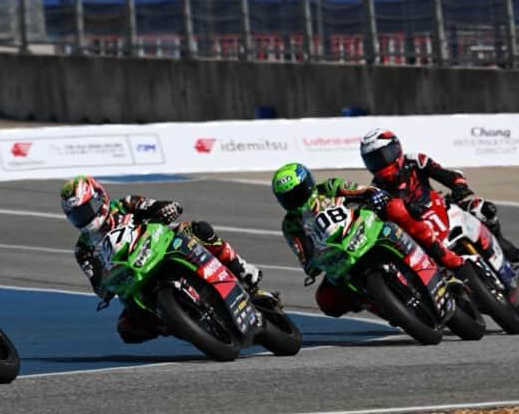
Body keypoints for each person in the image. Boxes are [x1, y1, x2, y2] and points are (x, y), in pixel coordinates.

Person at [60, 175, 262, 343]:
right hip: (132, 280)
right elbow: (97, 283)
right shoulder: (83, 249)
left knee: (198, 230)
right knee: (127, 329)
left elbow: (158, 206)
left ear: (99, 199)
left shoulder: (124, 205)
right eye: (77, 215)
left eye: (86, 210)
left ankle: (241, 268)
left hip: (157, 247)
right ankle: (179, 323)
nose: (84, 218)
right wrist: (104, 290)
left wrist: (167, 209)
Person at [272, 162, 465, 318]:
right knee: (326, 301)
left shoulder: (329, 187)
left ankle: (444, 258)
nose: (294, 200)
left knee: (396, 209)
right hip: (338, 255)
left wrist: (373, 195)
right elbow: (303, 254)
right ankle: (380, 304)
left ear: (308, 184)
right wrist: (311, 265)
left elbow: (362, 190)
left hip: (365, 227)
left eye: (297, 193)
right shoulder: (290, 225)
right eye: (288, 198)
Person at [360, 128, 519, 262]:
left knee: (483, 209)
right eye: (374, 160)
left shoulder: (415, 161)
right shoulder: (376, 191)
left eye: (384, 155)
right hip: (418, 233)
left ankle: (505, 248)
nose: (381, 163)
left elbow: (447, 175)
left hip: (441, 208)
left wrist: (459, 187)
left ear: (396, 149)